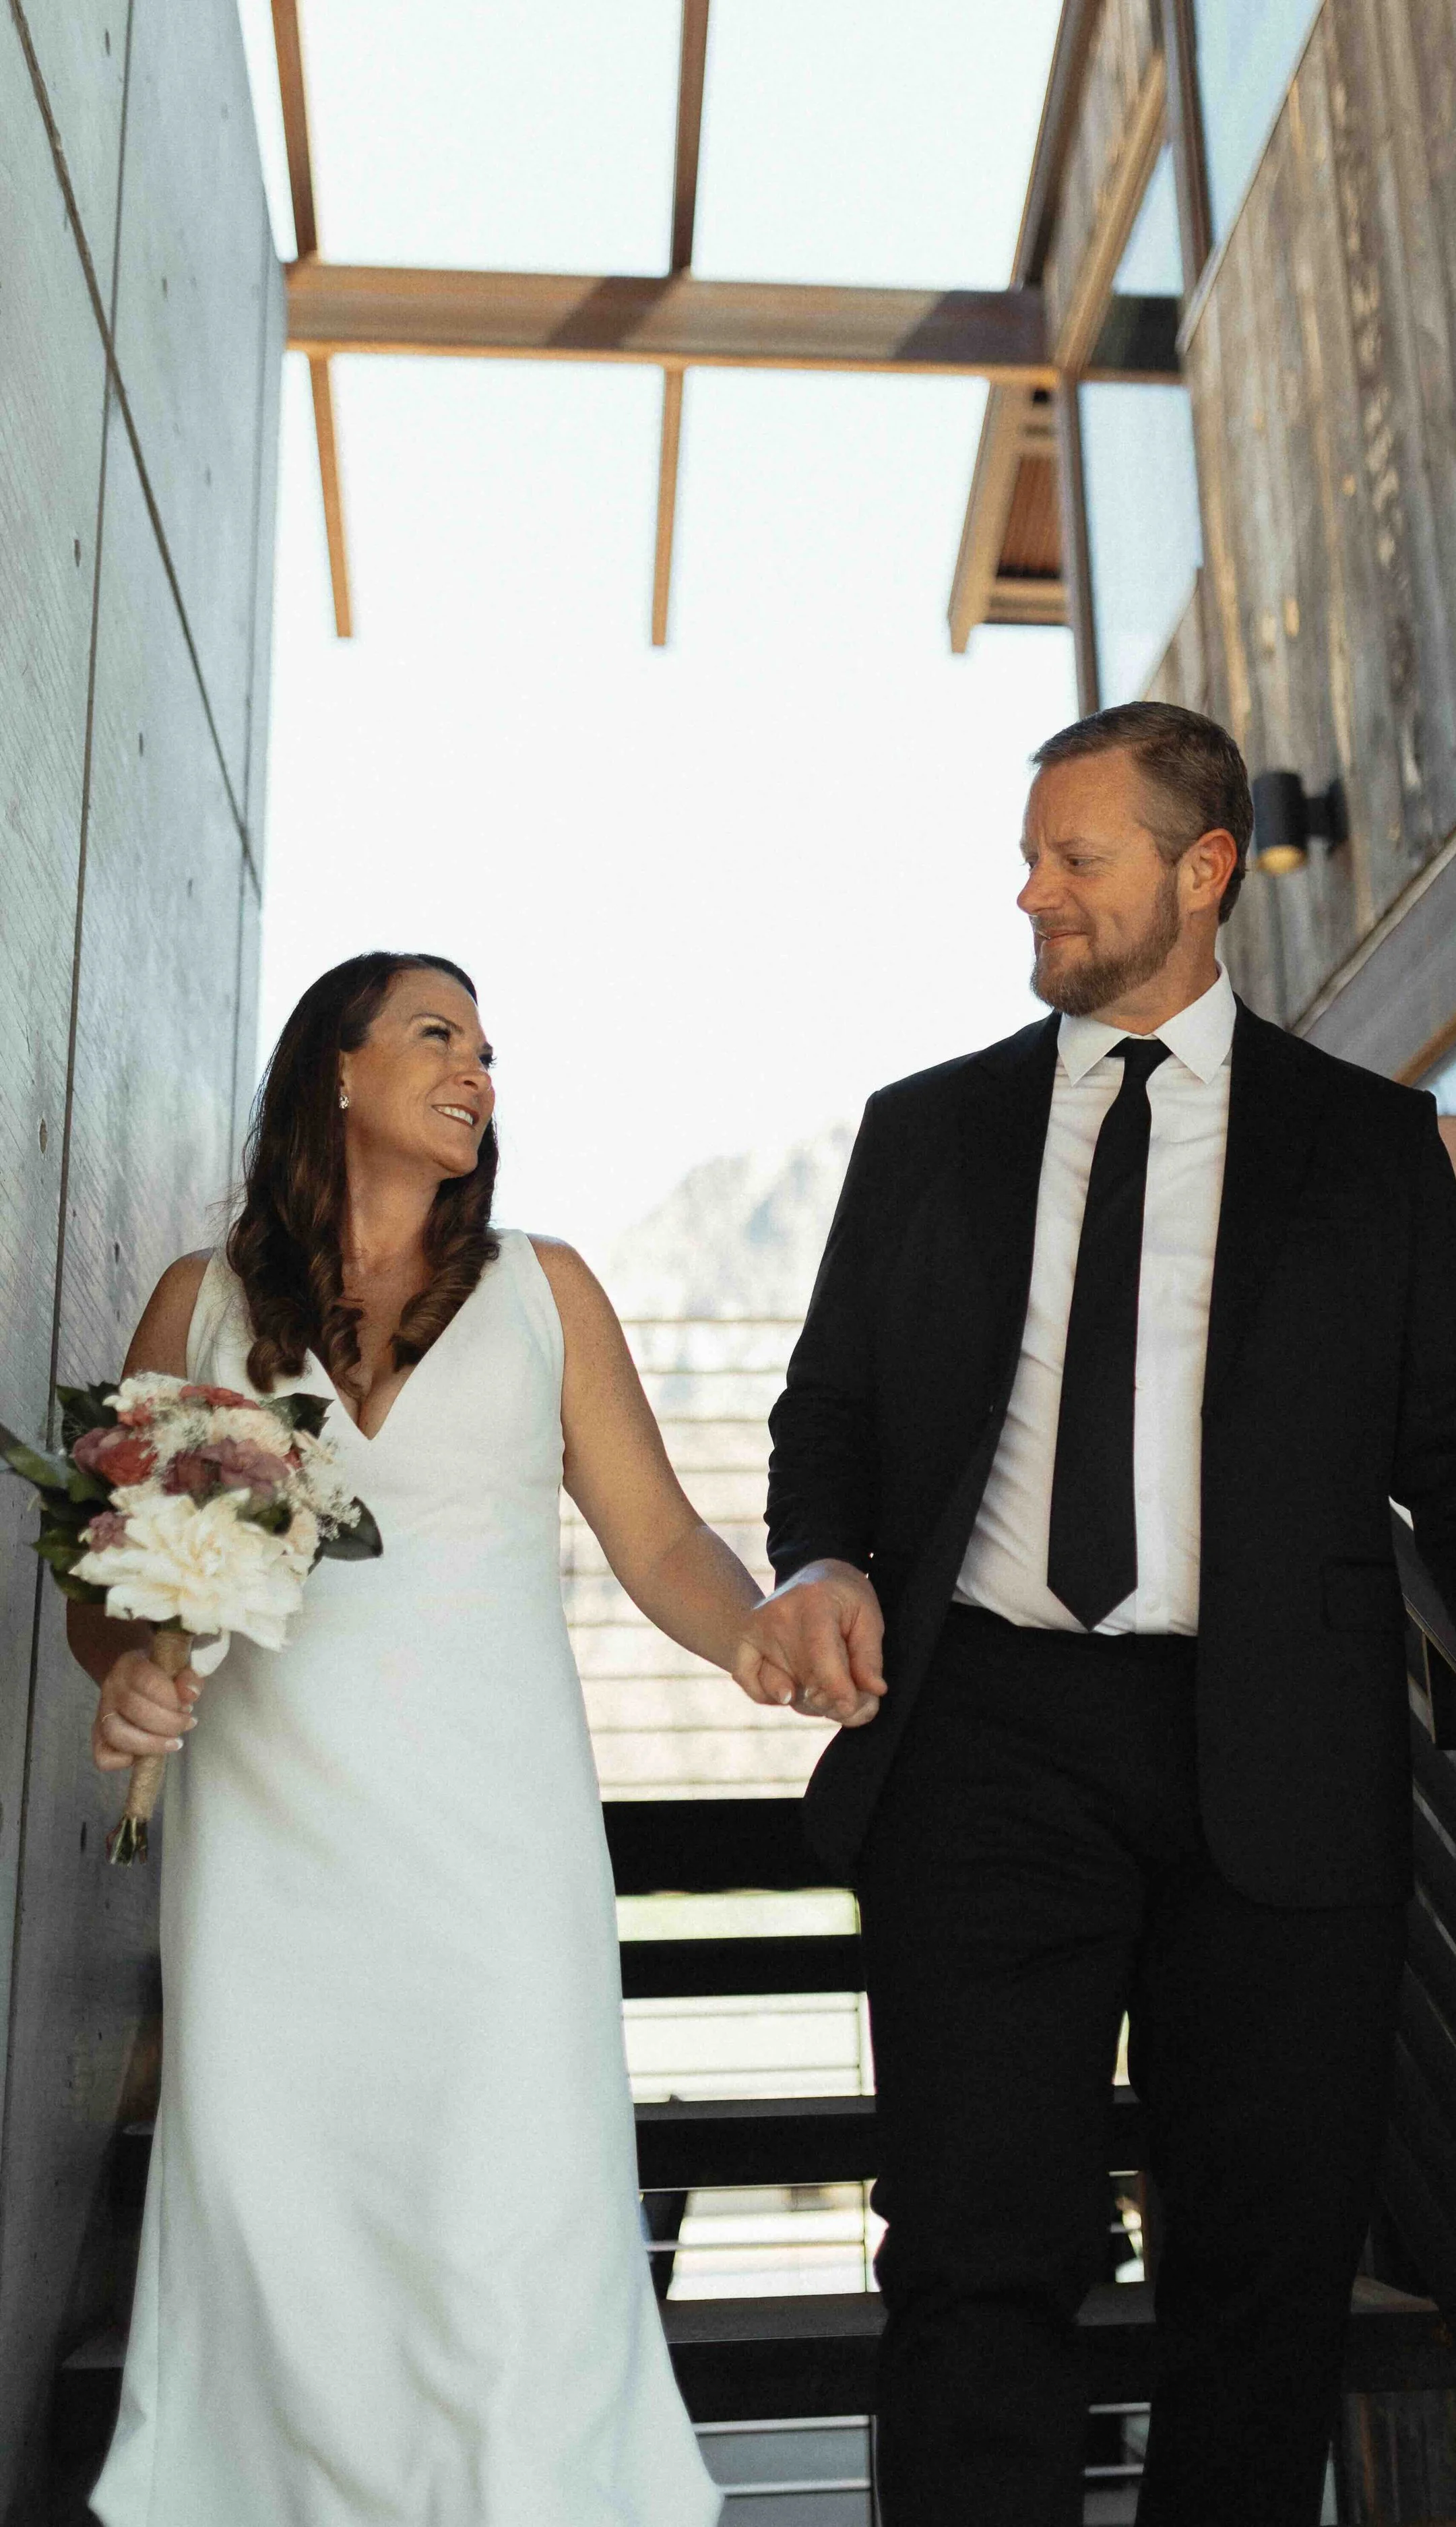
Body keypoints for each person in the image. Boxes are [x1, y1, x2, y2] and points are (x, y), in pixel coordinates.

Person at [734, 702, 1456, 2527]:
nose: (1030, 892)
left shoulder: (1363, 1147)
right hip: (985, 1743)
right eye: (1026, 854)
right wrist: (820, 1555)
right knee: (966, 2257)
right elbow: (829, 1413)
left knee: (1258, 2285)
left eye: (1069, 858)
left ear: (1199, 868)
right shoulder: (924, 1132)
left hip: (1282, 1748)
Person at [75, 951, 754, 2526]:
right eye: (438, 1035)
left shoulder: (543, 1290)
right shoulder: (202, 1304)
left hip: (495, 1859)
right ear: (333, 1069)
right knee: (282, 2247)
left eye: (490, 1051)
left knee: (506, 2236)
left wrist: (755, 1634)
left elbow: (658, 1543)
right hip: (269, 1864)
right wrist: (128, 1673)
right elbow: (113, 1593)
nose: (477, 1072)